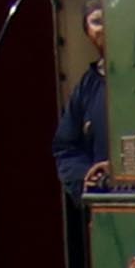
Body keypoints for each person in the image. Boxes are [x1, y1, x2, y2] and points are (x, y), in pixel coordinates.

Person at [51, 17, 110, 195]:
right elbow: (66, 148)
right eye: (97, 21)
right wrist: (89, 178)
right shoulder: (87, 86)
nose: (106, 26)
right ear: (87, 32)